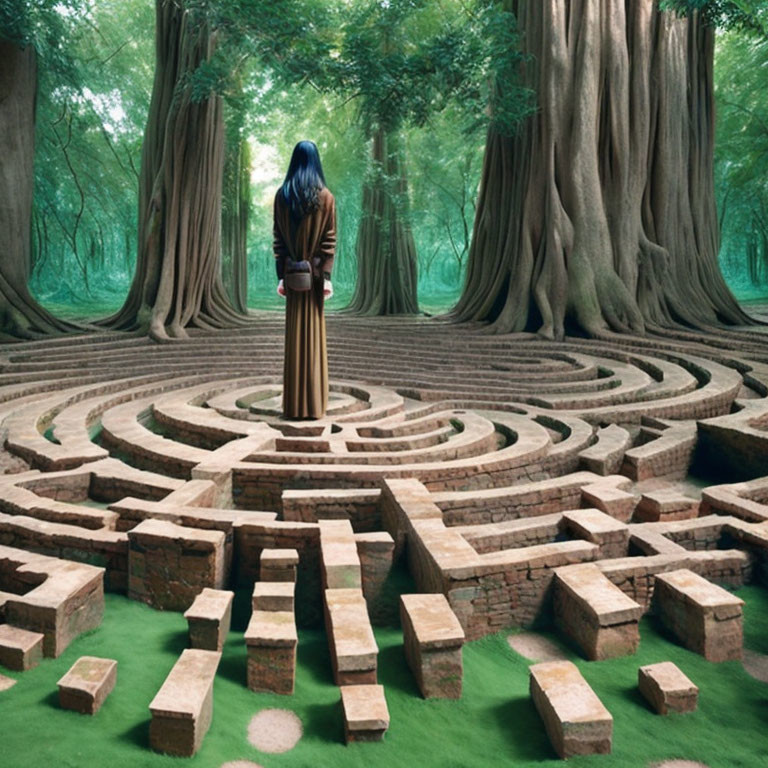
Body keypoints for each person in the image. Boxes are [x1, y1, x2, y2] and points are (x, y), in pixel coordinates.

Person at [273, 140, 336, 419]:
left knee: (295, 339)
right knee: (313, 339)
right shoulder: (326, 197)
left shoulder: (281, 196)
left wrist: (283, 275)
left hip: (293, 277)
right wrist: (325, 277)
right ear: (316, 162)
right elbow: (328, 243)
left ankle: (294, 407)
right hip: (313, 282)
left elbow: (278, 241)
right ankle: (313, 406)